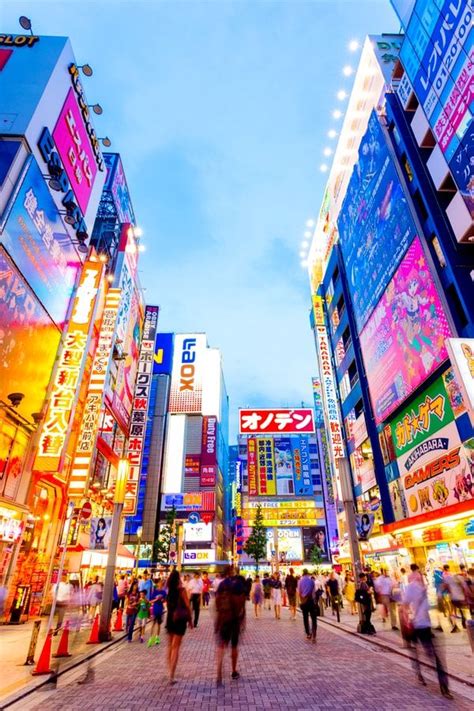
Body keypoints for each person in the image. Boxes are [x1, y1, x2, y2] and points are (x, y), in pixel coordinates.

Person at [403, 566, 452, 699]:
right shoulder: (412, 587)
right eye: (419, 576)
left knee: (432, 655)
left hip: (426, 627)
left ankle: (443, 685)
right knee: (419, 653)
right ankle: (421, 674)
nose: (421, 577)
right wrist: (407, 621)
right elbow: (404, 605)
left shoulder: (424, 589)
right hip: (417, 626)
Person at [215, 565, 246, 685]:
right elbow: (242, 600)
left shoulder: (222, 584)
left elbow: (217, 601)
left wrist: (219, 617)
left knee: (222, 645)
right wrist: (242, 617)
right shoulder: (238, 584)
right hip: (235, 619)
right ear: (232, 572)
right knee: (234, 645)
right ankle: (233, 671)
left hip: (224, 618)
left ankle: (219, 671)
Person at [166, 570, 192, 684]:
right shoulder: (181, 591)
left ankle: (169, 672)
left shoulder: (169, 591)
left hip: (170, 619)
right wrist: (190, 620)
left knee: (170, 647)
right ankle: (171, 675)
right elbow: (187, 606)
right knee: (176, 647)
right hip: (180, 620)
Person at [442, 564, 467, 631]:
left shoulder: (447, 577)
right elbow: (464, 587)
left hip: (453, 597)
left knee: (453, 611)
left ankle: (455, 625)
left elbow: (444, 587)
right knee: (462, 610)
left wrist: (448, 591)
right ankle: (463, 621)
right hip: (461, 597)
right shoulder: (460, 578)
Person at [297, 568, 317, 643]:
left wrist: (301, 600)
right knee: (313, 618)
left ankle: (308, 633)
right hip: (311, 600)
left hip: (304, 601)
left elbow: (299, 592)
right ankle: (314, 633)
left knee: (305, 618)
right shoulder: (311, 581)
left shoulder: (300, 582)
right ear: (308, 573)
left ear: (303, 573)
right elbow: (314, 593)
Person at [148, 579, 167, 646]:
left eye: (162, 583)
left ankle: (157, 637)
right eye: (159, 583)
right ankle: (151, 638)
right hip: (154, 609)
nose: (160, 584)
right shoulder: (154, 591)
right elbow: (150, 601)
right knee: (153, 623)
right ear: (157, 584)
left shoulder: (164, 592)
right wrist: (156, 599)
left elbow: (165, 600)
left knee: (159, 624)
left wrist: (162, 600)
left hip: (160, 609)